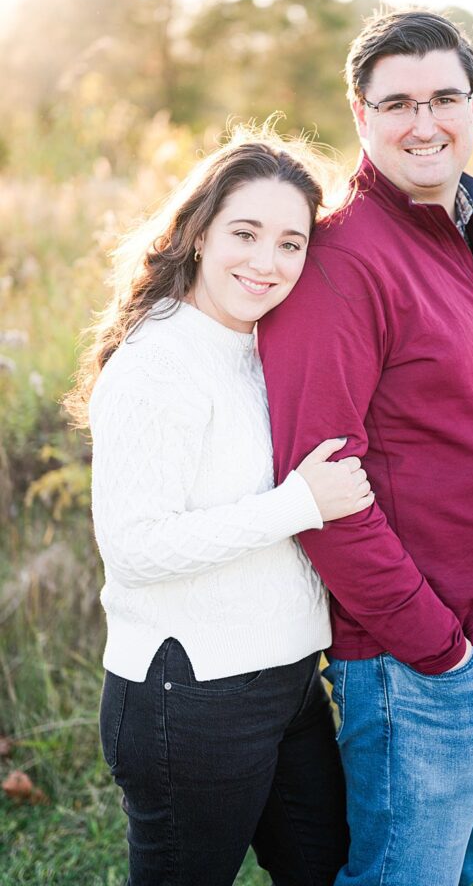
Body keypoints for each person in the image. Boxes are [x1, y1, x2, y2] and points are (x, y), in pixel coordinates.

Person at [258, 11, 473, 886]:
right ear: (360, 114)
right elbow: (316, 484)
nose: (423, 121)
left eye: (443, 97)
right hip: (420, 664)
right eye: (396, 101)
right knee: (407, 877)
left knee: (467, 865)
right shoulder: (339, 261)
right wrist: (433, 646)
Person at [65, 126, 375, 886]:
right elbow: (135, 548)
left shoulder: (261, 346)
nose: (266, 263)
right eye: (245, 233)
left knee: (323, 870)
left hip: (288, 680)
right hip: (191, 697)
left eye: (290, 244)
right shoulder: (159, 362)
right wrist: (297, 503)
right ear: (199, 233)